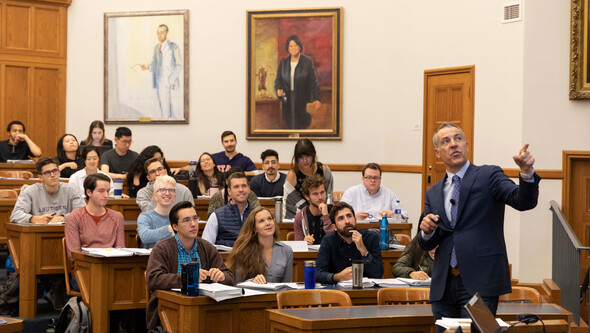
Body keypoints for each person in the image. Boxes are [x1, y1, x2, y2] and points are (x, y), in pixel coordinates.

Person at [417, 122, 539, 326]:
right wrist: (426, 232)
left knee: (482, 331)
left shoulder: (488, 175)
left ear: (466, 144)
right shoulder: (433, 192)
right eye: (446, 141)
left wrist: (526, 173)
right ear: (437, 153)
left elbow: (522, 201)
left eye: (457, 139)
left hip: (480, 285)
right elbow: (428, 243)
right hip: (443, 287)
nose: (453, 144)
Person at [145, 201, 234, 330]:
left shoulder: (207, 247)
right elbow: (153, 278)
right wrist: (188, 278)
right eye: (186, 220)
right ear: (175, 226)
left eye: (195, 218)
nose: (193, 224)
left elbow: (230, 277)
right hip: (169, 308)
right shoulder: (162, 248)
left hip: (205, 307)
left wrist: (222, 276)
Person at [65, 173, 125, 290]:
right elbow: (73, 254)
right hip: (84, 269)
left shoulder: (117, 217)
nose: (106, 195)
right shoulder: (74, 217)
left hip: (109, 267)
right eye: (101, 191)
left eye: (108, 191)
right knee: (100, 284)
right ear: (89, 192)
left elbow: (121, 249)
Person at [315, 201, 383, 284]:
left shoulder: (371, 237)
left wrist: (363, 250)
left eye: (349, 216)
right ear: (334, 227)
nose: (347, 221)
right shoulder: (328, 241)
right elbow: (318, 273)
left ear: (355, 220)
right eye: (341, 218)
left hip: (365, 291)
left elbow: (378, 274)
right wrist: (338, 277)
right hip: (337, 293)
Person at [226, 207, 293, 283]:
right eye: (261, 221)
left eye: (270, 219)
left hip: (277, 294)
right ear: (255, 229)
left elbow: (287, 286)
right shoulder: (243, 251)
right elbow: (237, 284)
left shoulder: (286, 251)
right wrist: (252, 282)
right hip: (253, 294)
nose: (268, 223)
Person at [10, 157, 85, 224]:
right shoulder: (30, 192)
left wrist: (64, 218)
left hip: (66, 233)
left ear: (59, 173)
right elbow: (15, 215)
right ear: (40, 177)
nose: (52, 175)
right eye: (47, 172)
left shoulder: (72, 190)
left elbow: (83, 213)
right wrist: (35, 219)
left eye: (55, 171)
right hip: (38, 234)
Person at [274, 35, 321, 129]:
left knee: (302, 125)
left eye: (295, 45)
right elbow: (278, 80)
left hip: (302, 100)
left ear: (300, 47)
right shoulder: (283, 62)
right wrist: (278, 90)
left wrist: (317, 98)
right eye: (290, 46)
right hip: (286, 100)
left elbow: (314, 82)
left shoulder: (307, 61)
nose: (293, 48)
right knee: (288, 125)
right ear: (287, 48)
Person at [140, 24, 182, 118]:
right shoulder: (156, 47)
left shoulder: (174, 47)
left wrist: (171, 80)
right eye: (158, 33)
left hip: (170, 82)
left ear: (167, 33)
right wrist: (147, 67)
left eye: (162, 33)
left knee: (171, 108)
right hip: (160, 82)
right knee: (164, 107)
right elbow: (155, 63)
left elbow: (179, 65)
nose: (159, 35)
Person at [283, 139, 333, 219]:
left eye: (308, 156)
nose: (305, 161)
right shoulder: (292, 175)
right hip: (301, 215)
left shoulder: (324, 170)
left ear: (313, 155)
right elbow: (290, 202)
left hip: (323, 212)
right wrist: (310, 213)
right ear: (296, 158)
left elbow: (329, 196)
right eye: (301, 157)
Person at [340, 163, 408, 220]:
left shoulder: (390, 194)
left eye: (375, 178)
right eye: (369, 177)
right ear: (363, 179)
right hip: (358, 230)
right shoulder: (351, 192)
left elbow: (404, 216)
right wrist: (353, 217)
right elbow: (340, 215)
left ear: (380, 179)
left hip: (383, 230)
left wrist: (393, 214)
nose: (372, 180)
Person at [202, 172, 254, 246]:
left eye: (244, 186)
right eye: (236, 187)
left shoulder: (257, 215)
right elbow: (206, 247)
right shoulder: (216, 216)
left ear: (249, 189)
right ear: (229, 191)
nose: (241, 190)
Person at [137, 175, 177, 248]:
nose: (167, 193)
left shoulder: (179, 216)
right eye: (162, 189)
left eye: (171, 190)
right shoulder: (145, 217)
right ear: (155, 196)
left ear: (174, 196)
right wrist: (168, 229)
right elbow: (145, 237)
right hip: (152, 257)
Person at [293, 174, 333, 245]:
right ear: (307, 196)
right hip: (310, 255)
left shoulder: (334, 211)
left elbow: (336, 240)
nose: (320, 197)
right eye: (315, 194)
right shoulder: (300, 217)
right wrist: (304, 242)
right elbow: (298, 247)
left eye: (322, 192)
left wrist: (326, 216)